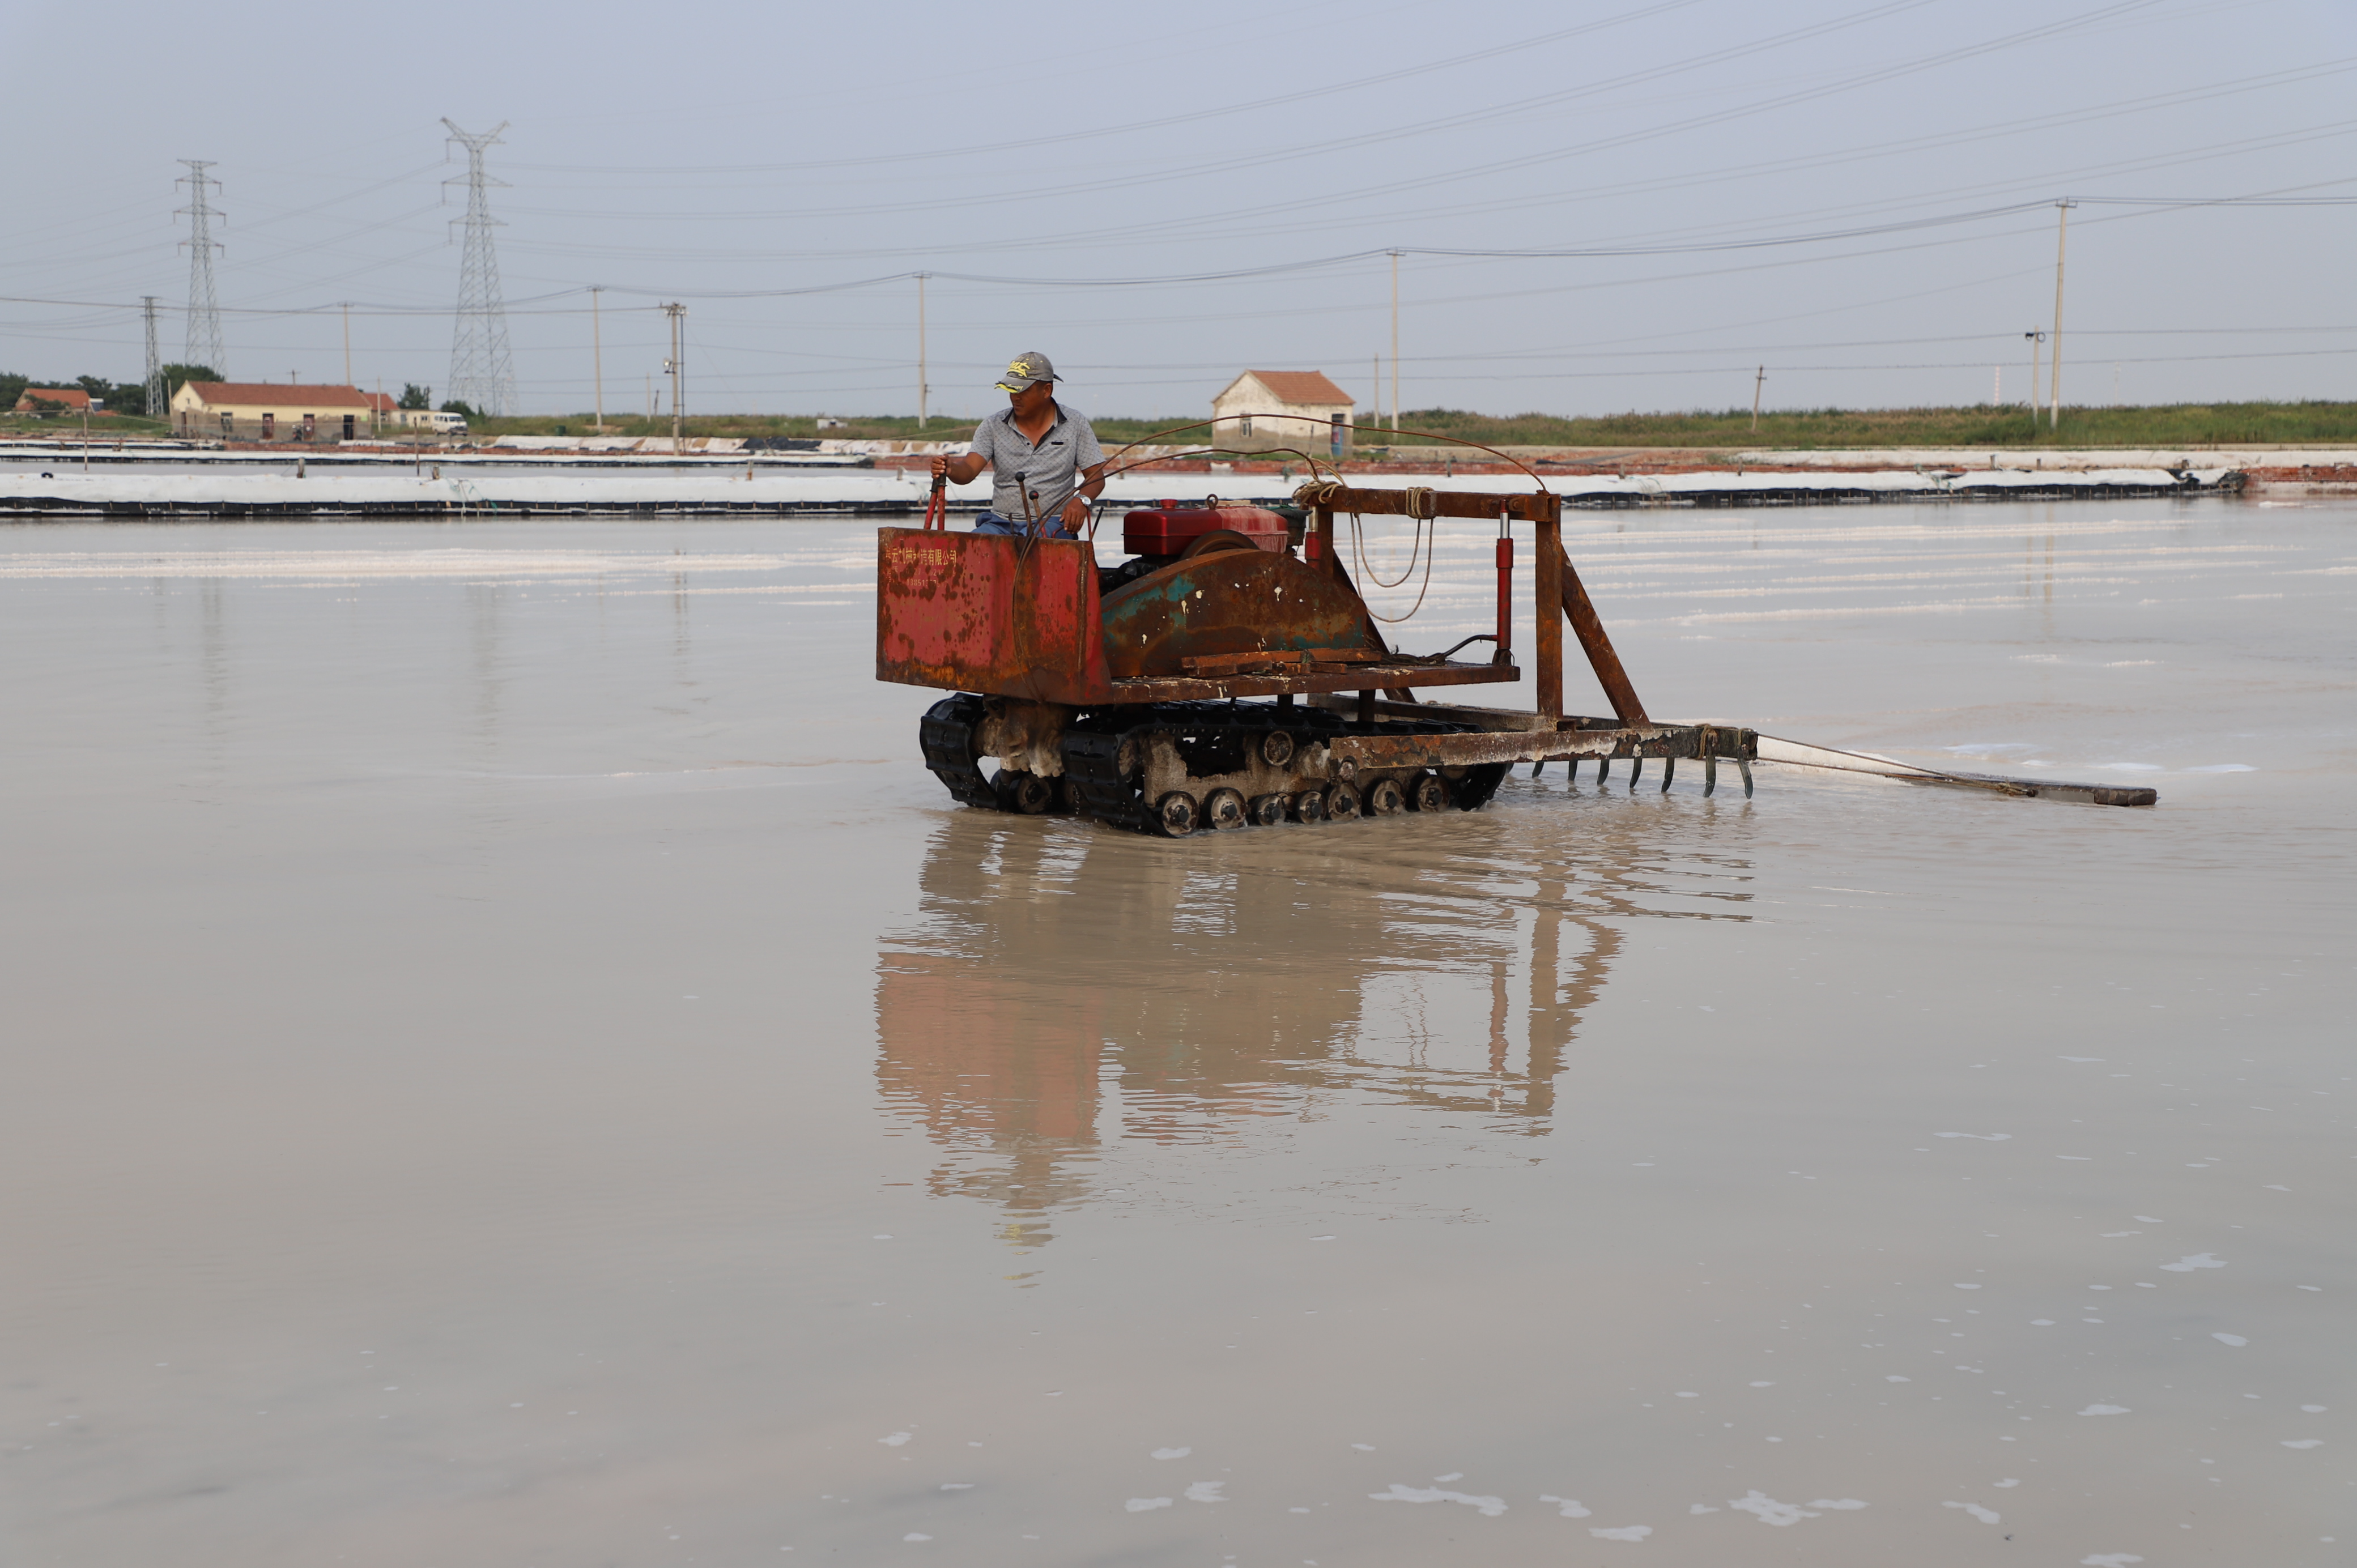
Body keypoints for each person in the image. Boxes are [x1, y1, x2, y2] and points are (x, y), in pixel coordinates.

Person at [929, 352, 1105, 538]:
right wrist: (951, 468)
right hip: (1001, 522)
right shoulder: (993, 425)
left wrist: (1081, 500)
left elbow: (1096, 478)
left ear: (1047, 390)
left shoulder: (1075, 423)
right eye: (1012, 390)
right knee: (975, 545)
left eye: (1023, 391)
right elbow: (969, 470)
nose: (1015, 397)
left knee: (1032, 543)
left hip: (1052, 522)